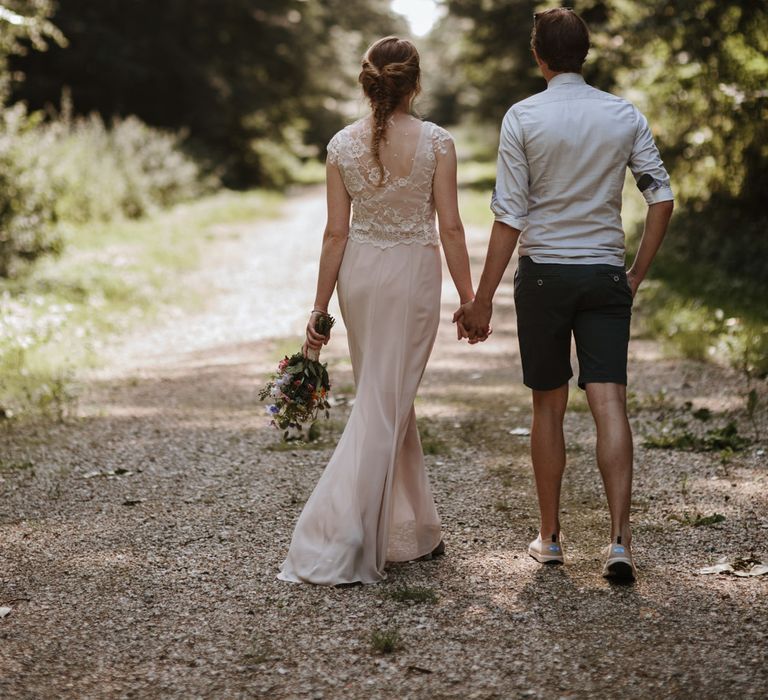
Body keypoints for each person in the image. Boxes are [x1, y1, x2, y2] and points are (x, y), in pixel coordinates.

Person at [455, 8, 674, 581]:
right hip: (604, 274)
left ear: (539, 56)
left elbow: (509, 215)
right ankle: (619, 543)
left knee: (548, 405)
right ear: (586, 53)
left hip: (546, 275)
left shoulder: (523, 117)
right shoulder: (623, 115)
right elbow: (661, 198)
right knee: (610, 405)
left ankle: (550, 539)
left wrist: (480, 300)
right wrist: (634, 275)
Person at [278, 36, 474, 586]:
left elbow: (335, 233)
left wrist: (319, 308)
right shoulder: (437, 142)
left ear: (369, 83)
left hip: (360, 277)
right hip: (412, 274)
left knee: (389, 395)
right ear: (415, 82)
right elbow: (451, 227)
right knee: (385, 399)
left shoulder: (341, 144)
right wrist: (469, 296)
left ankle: (416, 530)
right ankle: (340, 531)